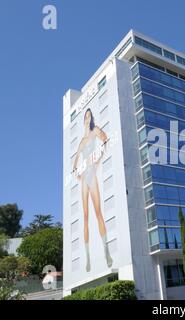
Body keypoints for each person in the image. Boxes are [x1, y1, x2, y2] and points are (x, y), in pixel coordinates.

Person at [73, 108, 113, 272]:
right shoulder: (81, 141)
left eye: (90, 115)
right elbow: (74, 164)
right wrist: (77, 175)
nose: (88, 118)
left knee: (98, 213)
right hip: (84, 179)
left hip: (93, 175)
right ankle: (88, 257)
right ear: (84, 120)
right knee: (85, 216)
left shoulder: (95, 130)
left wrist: (98, 161)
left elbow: (105, 139)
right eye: (86, 116)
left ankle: (107, 252)